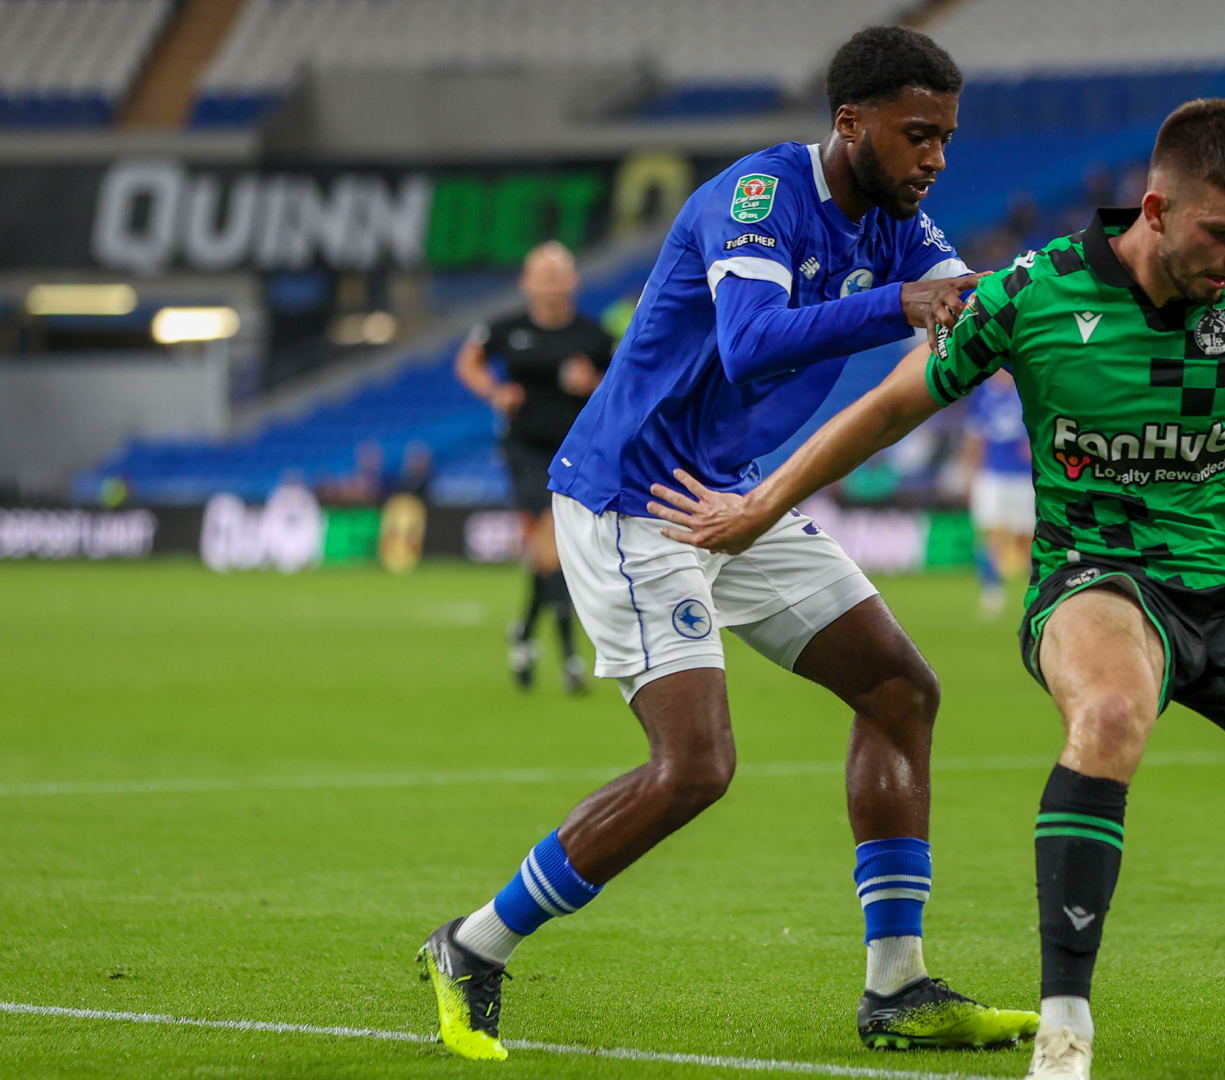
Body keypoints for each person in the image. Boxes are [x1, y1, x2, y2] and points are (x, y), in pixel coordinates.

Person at [647, 100, 1225, 1080]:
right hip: (1099, 580)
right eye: (1221, 234)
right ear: (1157, 207)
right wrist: (757, 504)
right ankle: (1066, 1028)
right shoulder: (1033, 293)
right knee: (1112, 715)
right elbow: (889, 408)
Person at [417, 27, 1037, 1061]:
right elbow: (751, 341)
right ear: (851, 125)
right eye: (917, 135)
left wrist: (1059, 299)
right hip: (632, 498)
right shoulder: (758, 200)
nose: (935, 159)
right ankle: (471, 947)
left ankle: (897, 985)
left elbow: (967, 300)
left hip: (732, 494)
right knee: (695, 766)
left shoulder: (900, 225)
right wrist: (900, 307)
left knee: (900, 691)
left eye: (946, 140)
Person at [455, 242, 613, 693]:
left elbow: (625, 386)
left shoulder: (594, 335)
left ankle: (524, 635)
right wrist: (494, 392)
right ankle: (569, 661)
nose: (551, 283)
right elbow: (468, 361)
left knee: (549, 553)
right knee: (551, 547)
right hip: (524, 451)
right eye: (542, 274)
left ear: (574, 281)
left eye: (559, 273)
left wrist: (593, 383)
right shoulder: (506, 329)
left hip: (576, 454)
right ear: (525, 282)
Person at [962, 369, 1035, 617]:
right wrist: (969, 474)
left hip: (1023, 476)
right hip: (991, 475)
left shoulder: (1025, 391)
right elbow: (976, 436)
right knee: (990, 533)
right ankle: (992, 593)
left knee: (1028, 537)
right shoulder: (983, 395)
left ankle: (1036, 590)